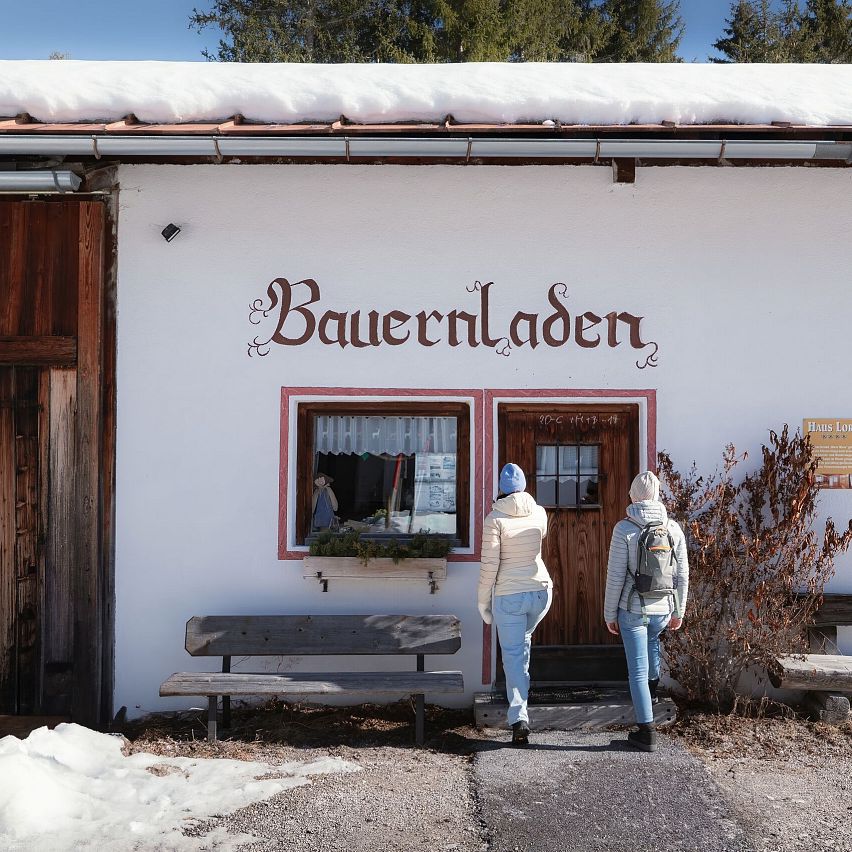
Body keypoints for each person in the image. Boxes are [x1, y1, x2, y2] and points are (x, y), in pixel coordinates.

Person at [604, 470, 689, 752]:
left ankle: (646, 731)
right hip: (663, 607)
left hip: (633, 609)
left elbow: (615, 576)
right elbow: (682, 574)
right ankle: (649, 701)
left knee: (637, 672)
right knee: (652, 647)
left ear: (633, 495)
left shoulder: (624, 529)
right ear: (657, 495)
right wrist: (679, 609)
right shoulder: (673, 528)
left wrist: (609, 614)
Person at [478, 463, 552, 745]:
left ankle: (519, 718)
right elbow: (540, 537)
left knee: (513, 657)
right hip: (540, 591)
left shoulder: (494, 519)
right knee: (522, 645)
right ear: (524, 485)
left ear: (501, 488)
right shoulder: (540, 512)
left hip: (509, 594)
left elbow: (490, 566)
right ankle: (520, 709)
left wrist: (482, 602)